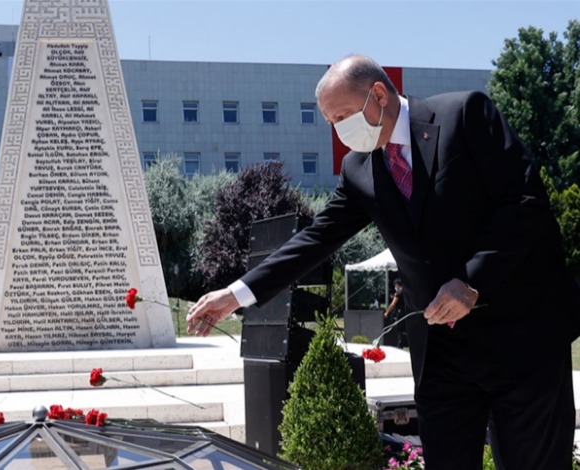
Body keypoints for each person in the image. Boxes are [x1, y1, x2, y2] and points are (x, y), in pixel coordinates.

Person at [186, 54, 580, 469]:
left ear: (378, 94)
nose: (340, 131)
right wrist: (236, 295)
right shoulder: (359, 169)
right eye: (331, 122)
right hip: (442, 353)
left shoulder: (465, 115)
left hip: (521, 338)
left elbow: (524, 203)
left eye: (342, 116)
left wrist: (470, 280)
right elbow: (316, 238)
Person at [383, 278, 408, 348]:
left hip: (400, 313)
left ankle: (400, 344)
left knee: (400, 330)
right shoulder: (408, 292)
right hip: (408, 313)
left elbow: (393, 304)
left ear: (397, 285)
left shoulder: (398, 293)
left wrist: (387, 312)